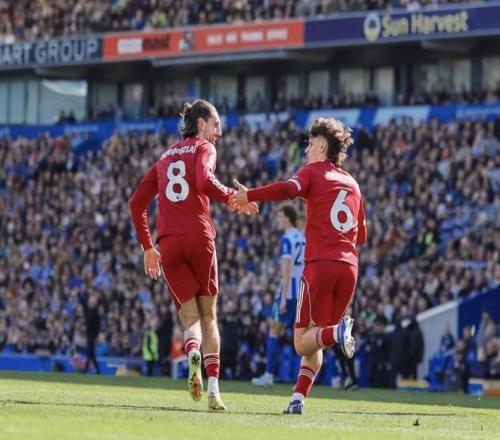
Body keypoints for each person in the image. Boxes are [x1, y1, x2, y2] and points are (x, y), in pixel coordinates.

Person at [232, 117, 367, 414]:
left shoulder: (311, 172)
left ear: (322, 146)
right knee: (315, 340)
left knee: (301, 343)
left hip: (320, 266)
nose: (306, 149)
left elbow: (287, 190)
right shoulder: (353, 184)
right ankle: (297, 400)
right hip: (349, 268)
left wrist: (249, 194)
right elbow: (363, 234)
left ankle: (337, 332)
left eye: (310, 143)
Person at [129, 99, 258, 411]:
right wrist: (233, 197)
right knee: (209, 316)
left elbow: (136, 204)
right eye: (216, 125)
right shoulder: (204, 148)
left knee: (189, 318)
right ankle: (213, 389)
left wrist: (148, 247)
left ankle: (193, 354)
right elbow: (203, 180)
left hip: (169, 243)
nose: (219, 132)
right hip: (199, 237)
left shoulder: (164, 157)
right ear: (201, 124)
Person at [252, 204, 305, 387]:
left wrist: (282, 298)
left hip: (288, 292)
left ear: (288, 219)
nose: (277, 220)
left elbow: (286, 271)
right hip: (301, 291)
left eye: (280, 217)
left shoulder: (286, 240)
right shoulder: (302, 238)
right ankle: (302, 379)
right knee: (301, 334)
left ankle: (269, 375)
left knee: (274, 330)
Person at [79, 292, 101, 374]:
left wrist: (96, 336)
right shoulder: (88, 311)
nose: (89, 303)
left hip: (92, 335)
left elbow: (98, 326)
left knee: (90, 352)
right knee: (91, 353)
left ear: (94, 304)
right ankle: (97, 370)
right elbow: (83, 303)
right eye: (89, 302)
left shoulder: (95, 313)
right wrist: (79, 294)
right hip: (88, 334)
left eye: (91, 302)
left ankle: (86, 369)